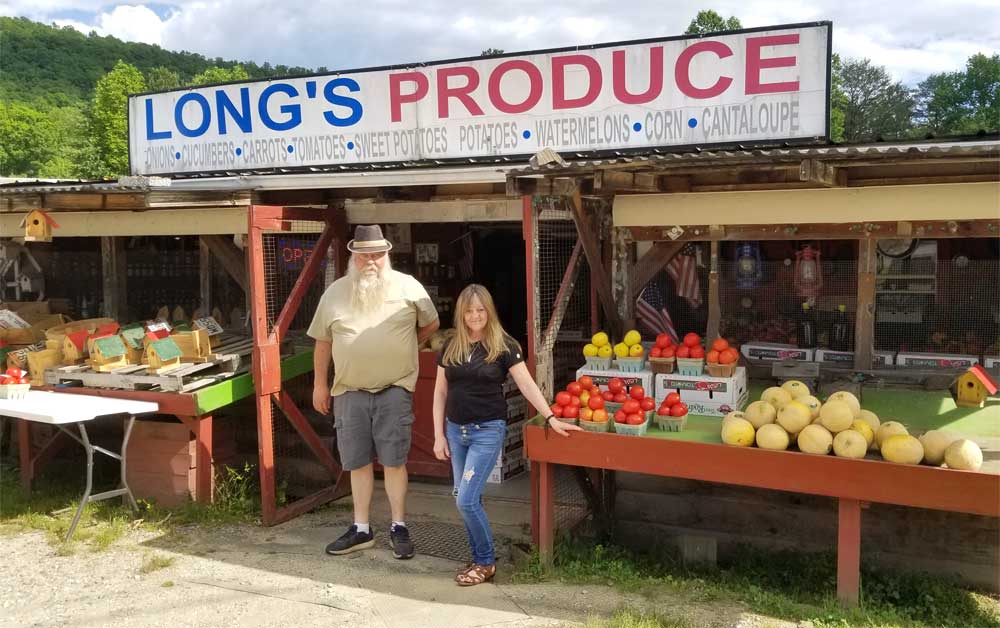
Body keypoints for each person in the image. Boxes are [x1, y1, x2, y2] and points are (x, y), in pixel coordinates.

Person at [432, 284, 581, 586]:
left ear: (489, 311)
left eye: (480, 310)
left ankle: (486, 562)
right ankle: (478, 557)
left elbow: (526, 384)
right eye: (469, 310)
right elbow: (439, 392)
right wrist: (438, 435)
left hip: (486, 431)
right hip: (455, 430)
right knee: (464, 497)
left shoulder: (504, 344)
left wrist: (551, 417)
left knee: (466, 500)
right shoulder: (451, 345)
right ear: (461, 313)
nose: (475, 316)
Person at [309, 224, 440, 559]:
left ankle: (399, 526)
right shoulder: (335, 292)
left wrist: (406, 343)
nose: (371, 260)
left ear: (387, 255)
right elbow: (323, 342)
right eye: (365, 253)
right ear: (353, 255)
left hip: (394, 389)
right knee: (357, 462)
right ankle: (362, 529)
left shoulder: (408, 286)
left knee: (395, 461)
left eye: (378, 253)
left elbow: (432, 323)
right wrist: (319, 384)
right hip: (349, 392)